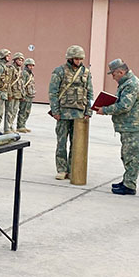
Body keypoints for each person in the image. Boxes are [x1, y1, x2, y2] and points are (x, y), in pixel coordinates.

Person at [95, 58, 139, 195]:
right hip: (129, 127)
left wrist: (105, 110)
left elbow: (125, 106)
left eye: (113, 74)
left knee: (131, 157)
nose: (113, 77)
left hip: (133, 127)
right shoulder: (127, 83)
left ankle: (130, 185)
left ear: (121, 72)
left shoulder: (131, 84)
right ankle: (127, 180)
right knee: (126, 155)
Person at [48, 45, 93, 181]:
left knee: (77, 143)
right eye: (76, 58)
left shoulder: (86, 73)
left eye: (80, 58)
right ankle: (62, 169)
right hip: (63, 113)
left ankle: (73, 168)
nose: (79, 61)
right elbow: (53, 92)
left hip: (79, 114)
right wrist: (55, 111)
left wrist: (89, 111)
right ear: (70, 58)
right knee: (61, 142)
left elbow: (89, 92)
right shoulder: (59, 71)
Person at [7, 52, 26, 133]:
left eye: (22, 60)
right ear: (14, 60)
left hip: (18, 94)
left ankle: (11, 127)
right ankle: (7, 128)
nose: (20, 61)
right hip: (12, 94)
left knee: (14, 112)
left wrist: (22, 94)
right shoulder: (11, 69)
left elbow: (21, 83)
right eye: (19, 59)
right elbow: (8, 82)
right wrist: (9, 94)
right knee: (9, 112)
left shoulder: (20, 70)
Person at [16, 57, 35, 133]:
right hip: (25, 95)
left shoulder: (30, 74)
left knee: (27, 111)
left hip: (30, 95)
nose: (31, 67)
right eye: (30, 65)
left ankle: (23, 125)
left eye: (33, 65)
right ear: (26, 65)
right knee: (23, 111)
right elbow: (22, 85)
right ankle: (20, 126)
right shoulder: (24, 73)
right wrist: (22, 95)